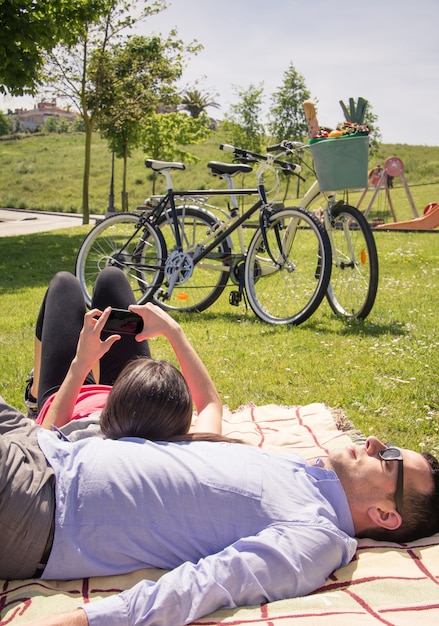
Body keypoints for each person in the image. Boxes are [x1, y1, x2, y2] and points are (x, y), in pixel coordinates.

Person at [0, 388, 438, 626]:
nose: (378, 442)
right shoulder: (301, 469)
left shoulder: (317, 536)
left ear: (385, 514)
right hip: (42, 443)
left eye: (391, 459)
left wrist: (83, 620)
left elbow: (205, 585)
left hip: (36, 502)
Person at [24, 267, 222, 439]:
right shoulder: (183, 449)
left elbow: (45, 441)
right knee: (111, 278)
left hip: (68, 401)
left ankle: (34, 394)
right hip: (139, 401)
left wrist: (81, 363)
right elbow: (210, 405)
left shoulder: (84, 442)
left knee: (64, 284)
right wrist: (173, 331)